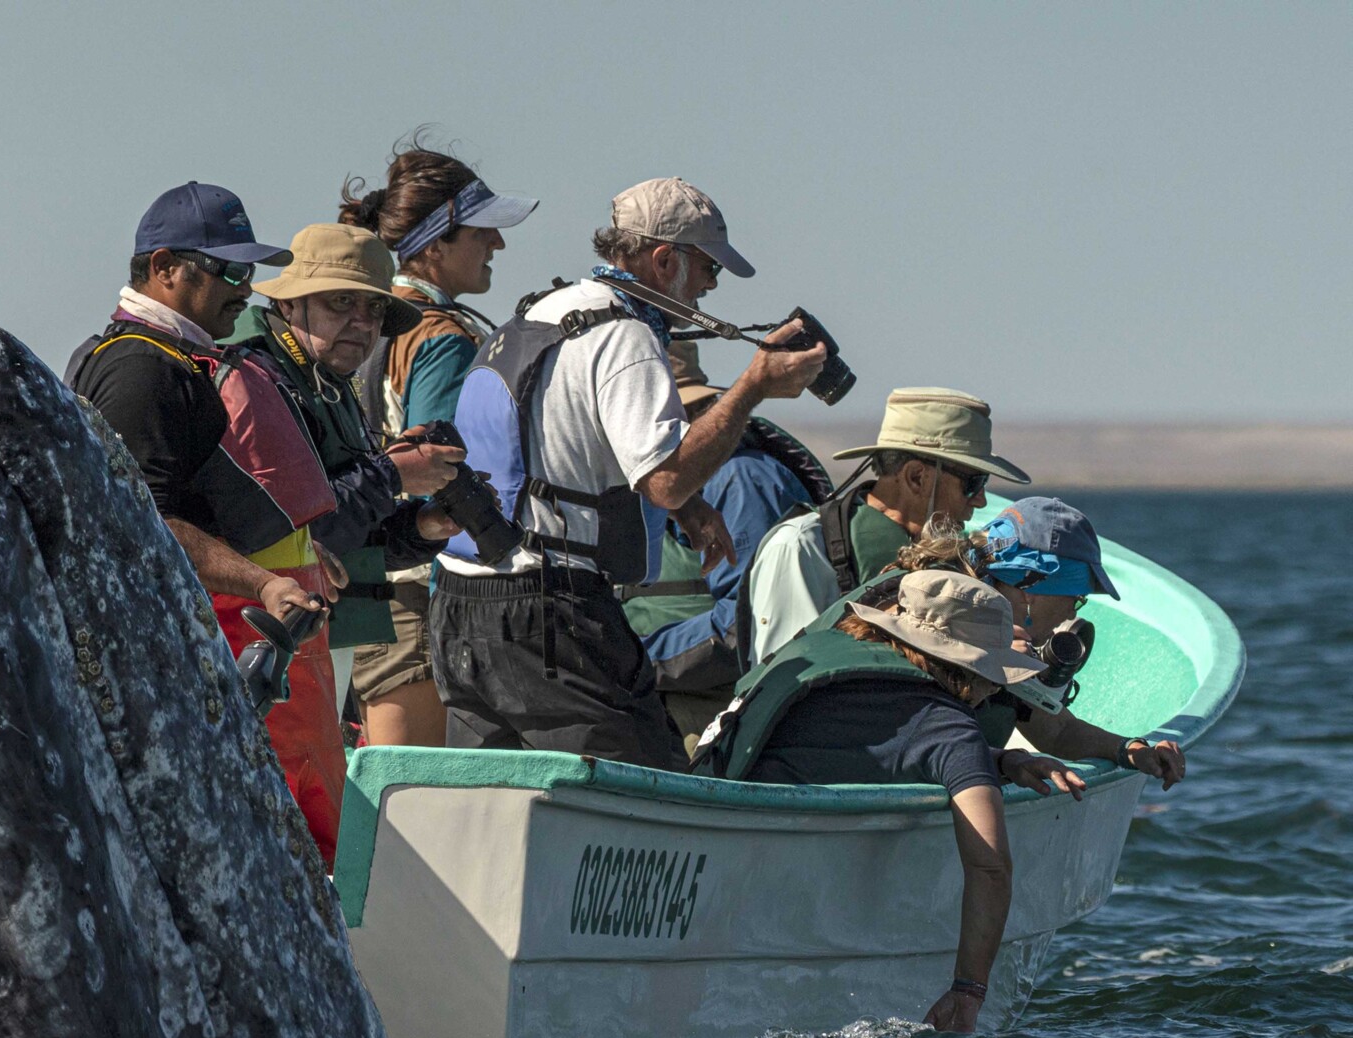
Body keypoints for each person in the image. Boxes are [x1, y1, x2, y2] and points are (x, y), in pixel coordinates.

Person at [430, 176, 825, 768]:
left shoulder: (544, 310)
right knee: (653, 800)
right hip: (550, 609)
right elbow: (663, 479)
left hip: (461, 603)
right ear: (665, 261)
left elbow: (564, 445)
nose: (712, 287)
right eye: (708, 268)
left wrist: (688, 510)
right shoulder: (625, 335)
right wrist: (754, 386)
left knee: (493, 808)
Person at [64, 182, 352, 865]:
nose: (243, 290)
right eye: (226, 271)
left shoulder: (159, 359)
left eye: (248, 273)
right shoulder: (143, 371)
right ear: (164, 268)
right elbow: (146, 521)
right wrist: (263, 583)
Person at [702, 569, 1088, 1032]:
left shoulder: (825, 658)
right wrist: (969, 989)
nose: (998, 688)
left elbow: (867, 743)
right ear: (971, 667)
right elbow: (990, 865)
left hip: (713, 861)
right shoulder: (949, 729)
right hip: (775, 892)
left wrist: (999, 761)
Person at [335, 142, 539, 745]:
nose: (496, 245)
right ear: (435, 245)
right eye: (482, 232)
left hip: (365, 580)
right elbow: (440, 466)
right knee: (412, 801)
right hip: (416, 595)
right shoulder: (443, 337)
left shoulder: (361, 323)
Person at [222, 223, 464, 725]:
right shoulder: (255, 377)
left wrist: (420, 528)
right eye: (340, 303)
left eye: (375, 308)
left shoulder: (325, 380)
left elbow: (339, 540)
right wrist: (392, 477)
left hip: (306, 633)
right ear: (289, 305)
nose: (362, 322)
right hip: (259, 632)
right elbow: (292, 530)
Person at [620, 255, 835, 754]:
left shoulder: (741, 478)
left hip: (701, 715)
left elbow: (752, 621)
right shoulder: (667, 480)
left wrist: (633, 659)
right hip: (654, 701)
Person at [743, 387, 1029, 668]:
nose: (980, 501)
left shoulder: (944, 558)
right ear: (916, 477)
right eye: (973, 483)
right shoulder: (801, 546)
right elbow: (783, 676)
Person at [977, 497, 1187, 787]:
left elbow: (1057, 731)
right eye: (1075, 598)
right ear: (1031, 589)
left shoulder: (1006, 642)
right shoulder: (945, 623)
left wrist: (1132, 750)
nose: (1073, 612)